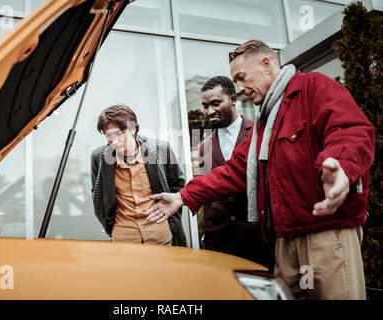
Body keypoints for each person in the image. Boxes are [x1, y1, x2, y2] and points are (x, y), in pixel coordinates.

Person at [146, 40, 375, 299]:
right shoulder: (264, 124)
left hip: (325, 233)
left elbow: (350, 131)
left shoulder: (315, 87)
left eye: (242, 78)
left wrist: (340, 165)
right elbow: (234, 171)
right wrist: (182, 196)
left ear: (266, 64)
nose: (240, 89)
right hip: (284, 241)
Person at [197, 76, 273, 267]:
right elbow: (207, 194)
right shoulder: (203, 147)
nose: (209, 111)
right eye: (205, 106)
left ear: (232, 100)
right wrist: (206, 232)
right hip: (219, 240)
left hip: (258, 238)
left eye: (215, 103)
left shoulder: (260, 132)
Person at [91, 104, 187, 246]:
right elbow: (98, 197)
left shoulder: (161, 150)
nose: (114, 141)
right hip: (123, 238)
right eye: (108, 135)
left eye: (119, 133)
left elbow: (179, 188)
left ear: (133, 128)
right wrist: (110, 227)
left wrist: (170, 222)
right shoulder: (99, 157)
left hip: (161, 235)